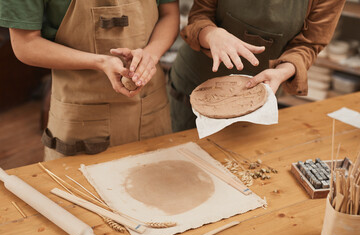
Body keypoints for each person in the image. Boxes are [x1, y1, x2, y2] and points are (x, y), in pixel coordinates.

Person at [0, 0, 179, 160]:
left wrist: (150, 55)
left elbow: (169, 14)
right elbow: (25, 43)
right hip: (81, 117)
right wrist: (101, 62)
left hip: (151, 111)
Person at [167, 0, 345, 132]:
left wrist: (284, 70)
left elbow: (309, 43)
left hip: (257, 100)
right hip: (196, 89)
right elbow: (199, 16)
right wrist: (211, 34)